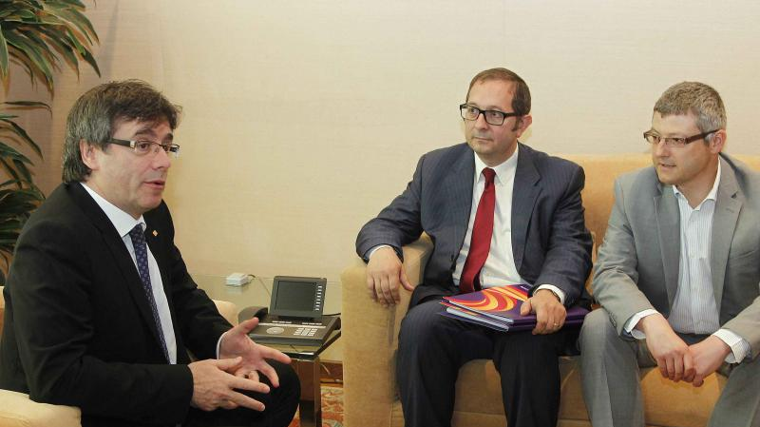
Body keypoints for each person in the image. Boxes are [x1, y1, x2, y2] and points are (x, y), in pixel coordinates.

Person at [0, 80, 300, 427]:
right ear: (90, 153)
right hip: (103, 409)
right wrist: (187, 384)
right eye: (143, 145)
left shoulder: (151, 213)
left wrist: (221, 341)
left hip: (162, 391)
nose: (163, 162)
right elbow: (59, 376)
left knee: (275, 382)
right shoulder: (53, 239)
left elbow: (181, 295)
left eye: (167, 146)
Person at [355, 67, 593, 427]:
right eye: (472, 110)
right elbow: (385, 223)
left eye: (495, 114)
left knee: (531, 343)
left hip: (524, 305)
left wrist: (550, 292)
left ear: (522, 123)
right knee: (420, 326)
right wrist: (383, 250)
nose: (480, 123)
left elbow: (570, 246)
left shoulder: (559, 177)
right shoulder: (436, 166)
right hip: (459, 303)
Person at [579, 81, 760, 427]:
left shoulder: (756, 195)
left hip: (734, 337)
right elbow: (610, 272)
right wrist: (652, 323)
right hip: (661, 336)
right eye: (655, 137)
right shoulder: (633, 190)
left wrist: (724, 342)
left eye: (676, 141)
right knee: (598, 325)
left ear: (715, 142)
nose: (660, 152)